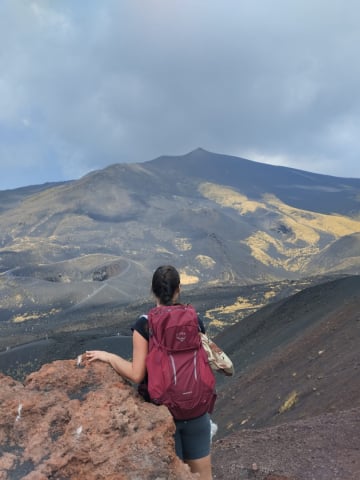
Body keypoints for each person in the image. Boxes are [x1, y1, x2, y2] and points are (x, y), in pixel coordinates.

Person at [86, 265, 213, 480]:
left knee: (174, 474)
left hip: (161, 413)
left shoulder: (145, 325)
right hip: (197, 411)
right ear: (178, 289)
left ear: (152, 291)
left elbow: (136, 374)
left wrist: (110, 357)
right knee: (203, 476)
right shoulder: (195, 320)